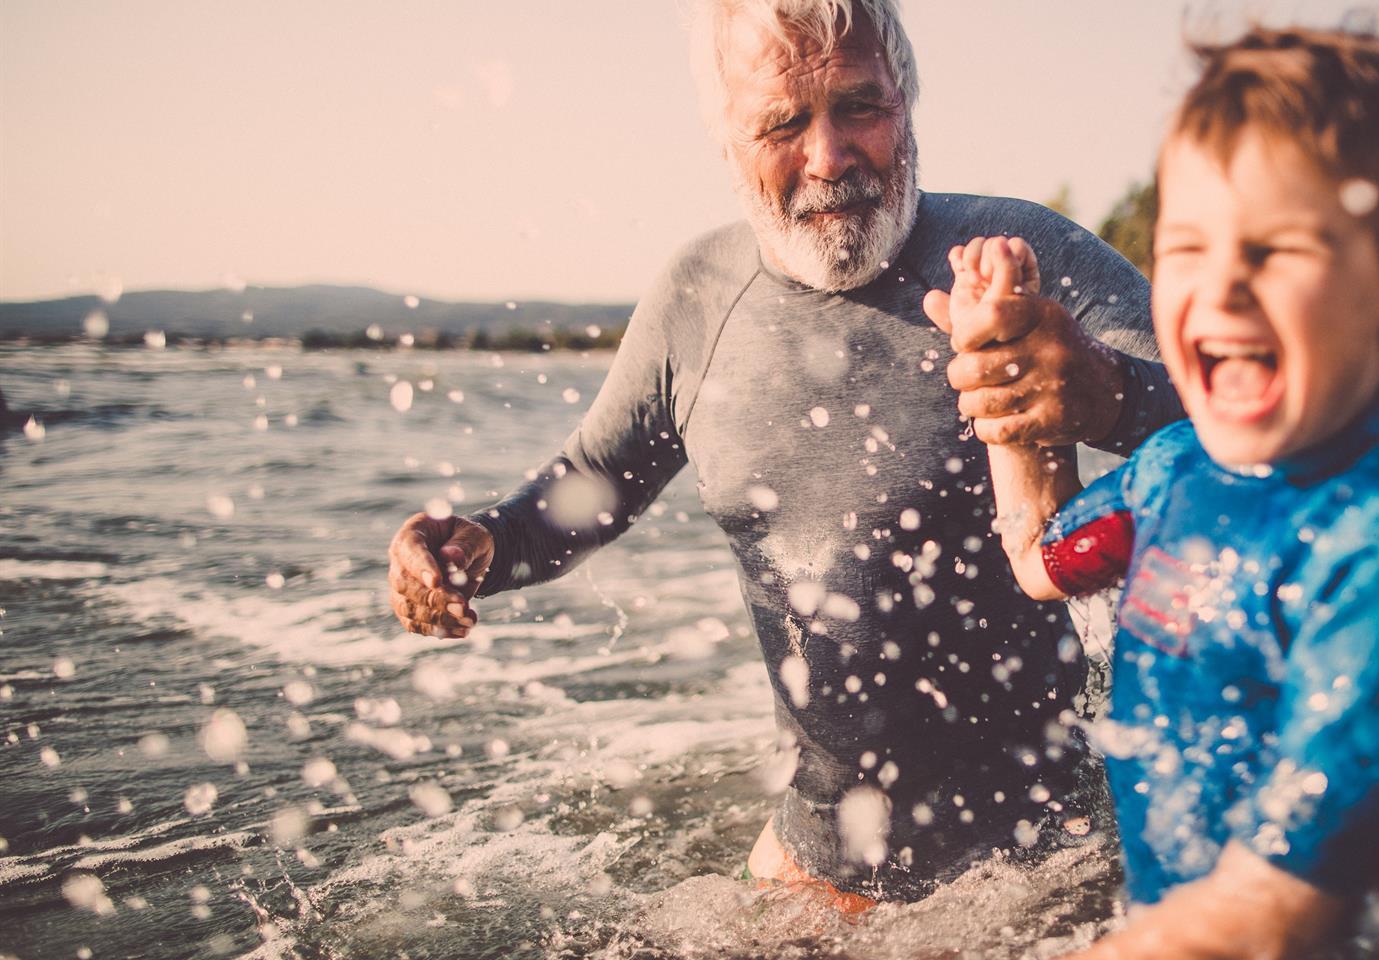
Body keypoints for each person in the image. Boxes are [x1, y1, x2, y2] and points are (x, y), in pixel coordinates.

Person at [383, 0, 1183, 906]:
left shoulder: (1018, 259)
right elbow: (581, 496)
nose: (829, 157)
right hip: (812, 868)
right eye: (782, 123)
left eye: (859, 108)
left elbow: (1261, 428)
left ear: (907, 102)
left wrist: (1106, 393)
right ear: (726, 139)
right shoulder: (696, 300)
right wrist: (475, 548)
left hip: (1050, 869)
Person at [932, 26, 1379, 957]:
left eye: (1276, 250)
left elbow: (1278, 906)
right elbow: (1037, 560)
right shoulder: (1173, 472)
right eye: (1187, 246)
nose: (1220, 285)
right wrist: (998, 367)